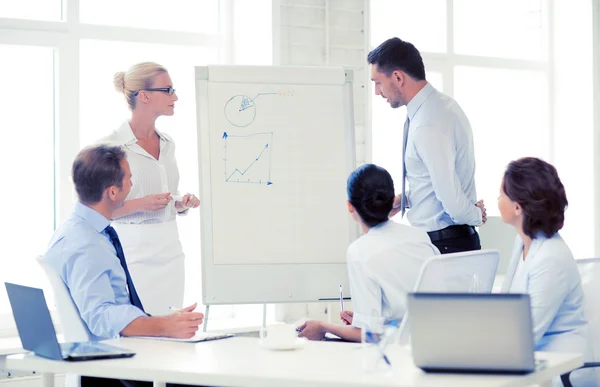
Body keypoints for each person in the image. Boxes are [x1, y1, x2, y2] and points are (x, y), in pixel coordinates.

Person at [44, 144, 204, 387]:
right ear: (112, 192)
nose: (132, 183)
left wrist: (163, 320)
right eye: (129, 178)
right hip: (116, 370)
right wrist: (164, 326)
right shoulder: (87, 245)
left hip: (117, 358)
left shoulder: (77, 231)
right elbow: (101, 315)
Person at [367, 37, 486, 254]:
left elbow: (451, 199)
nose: (377, 91)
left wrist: (476, 216)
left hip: (446, 246)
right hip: (448, 243)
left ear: (397, 77)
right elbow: (437, 182)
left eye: (378, 82)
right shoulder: (440, 107)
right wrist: (405, 200)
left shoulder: (427, 124)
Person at [297, 164, 439, 342]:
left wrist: (323, 327)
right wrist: (363, 318)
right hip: (436, 342)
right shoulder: (419, 235)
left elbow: (371, 335)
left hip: (398, 354)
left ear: (350, 206)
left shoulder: (360, 251)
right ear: (390, 200)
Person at [102, 62, 200, 316]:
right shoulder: (111, 147)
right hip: (134, 252)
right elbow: (100, 210)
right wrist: (142, 204)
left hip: (170, 251)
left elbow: (168, 196)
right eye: (168, 90)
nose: (175, 97)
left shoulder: (168, 144)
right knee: (140, 330)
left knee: (169, 331)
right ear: (144, 96)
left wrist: (180, 203)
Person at [499, 157, 593, 386]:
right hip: (535, 361)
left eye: (501, 195)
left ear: (517, 207)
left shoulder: (550, 258)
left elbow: (525, 336)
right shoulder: (522, 242)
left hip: (560, 370)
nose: (497, 200)